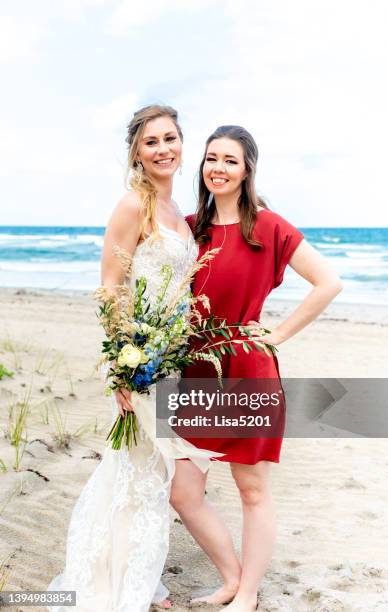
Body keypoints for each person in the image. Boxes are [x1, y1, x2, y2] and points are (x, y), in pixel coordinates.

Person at [47, 105, 217, 612]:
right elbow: (110, 285)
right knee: (141, 467)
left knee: (150, 473)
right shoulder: (132, 206)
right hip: (140, 359)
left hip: (169, 358)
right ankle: (117, 584)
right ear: (136, 154)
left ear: (182, 144)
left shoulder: (179, 215)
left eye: (170, 138)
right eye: (151, 142)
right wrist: (123, 364)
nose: (163, 149)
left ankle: (141, 577)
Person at [170, 125, 343, 612]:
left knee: (252, 489)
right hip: (197, 373)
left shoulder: (268, 226)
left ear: (247, 170)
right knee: (183, 492)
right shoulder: (191, 228)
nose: (217, 168)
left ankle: (246, 597)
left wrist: (279, 334)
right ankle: (230, 578)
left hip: (247, 372)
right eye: (210, 158)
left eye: (229, 160)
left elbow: (328, 283)